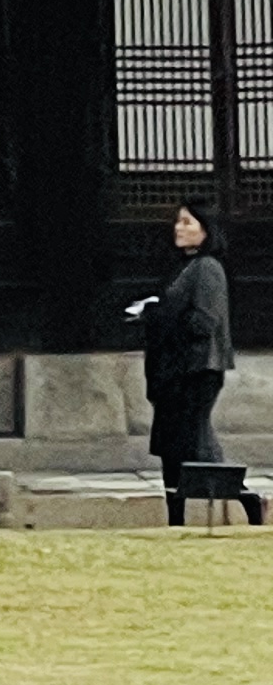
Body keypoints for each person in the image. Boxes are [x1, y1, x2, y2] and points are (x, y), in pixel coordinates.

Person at [130, 201, 263, 524]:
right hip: (172, 371)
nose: (179, 228)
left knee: (195, 444)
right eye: (178, 221)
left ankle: (246, 498)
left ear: (206, 229)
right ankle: (175, 517)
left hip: (197, 369)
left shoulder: (208, 268)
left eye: (188, 222)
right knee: (170, 446)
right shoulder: (184, 267)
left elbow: (203, 322)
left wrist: (157, 315)